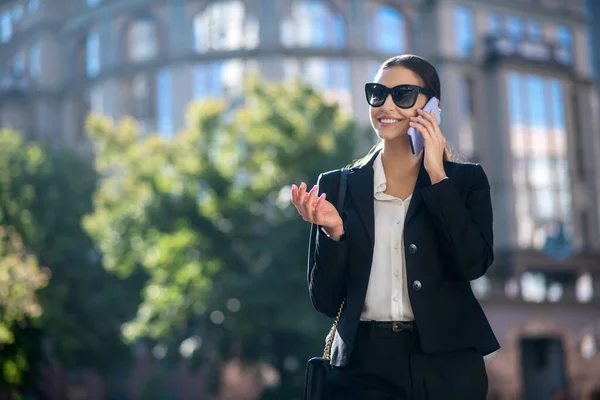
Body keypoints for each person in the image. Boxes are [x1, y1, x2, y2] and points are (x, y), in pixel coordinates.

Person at [291, 54, 500, 400]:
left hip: (447, 364)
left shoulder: (465, 181)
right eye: (377, 93)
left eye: (402, 94)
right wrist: (334, 234)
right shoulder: (336, 185)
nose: (385, 105)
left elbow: (473, 263)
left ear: (432, 107)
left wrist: (437, 176)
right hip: (363, 366)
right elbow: (326, 300)